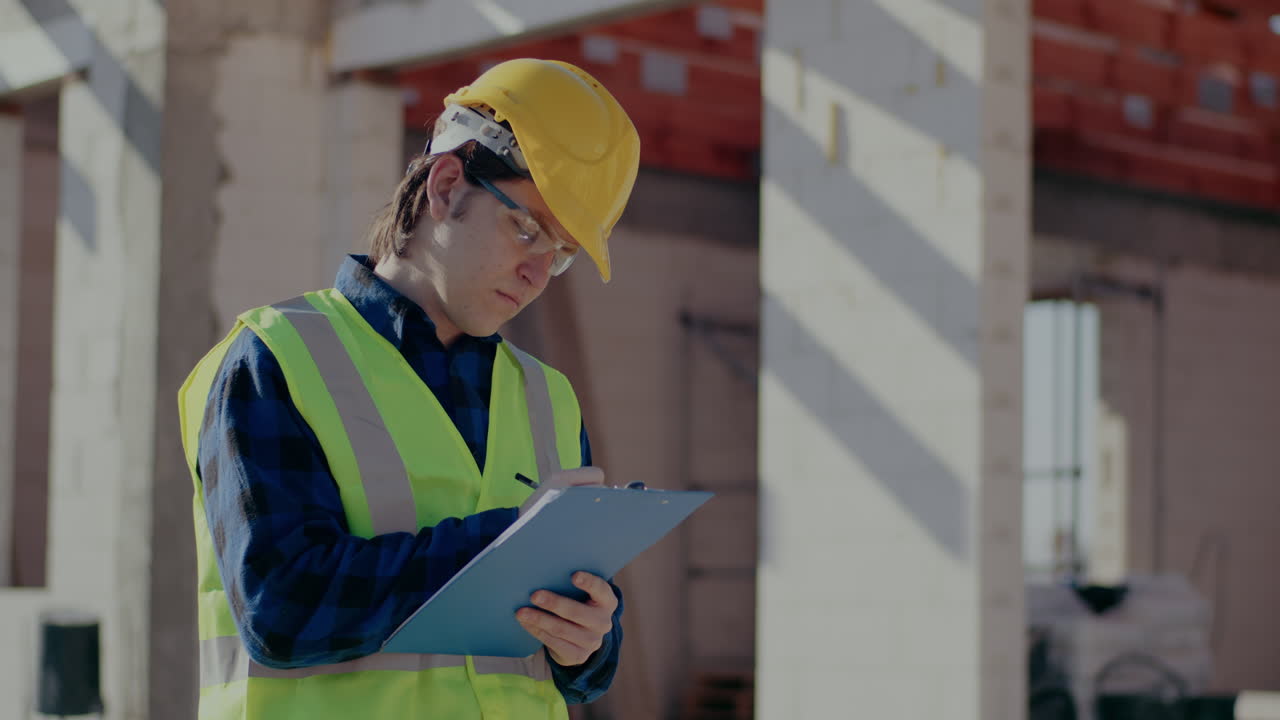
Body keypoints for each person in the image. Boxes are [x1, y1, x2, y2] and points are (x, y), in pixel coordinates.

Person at [177, 58, 641, 719]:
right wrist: (507, 548)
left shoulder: (550, 399)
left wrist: (588, 642)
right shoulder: (276, 359)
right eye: (529, 228)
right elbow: (282, 607)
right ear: (448, 186)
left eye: (561, 253)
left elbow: (578, 664)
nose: (538, 271)